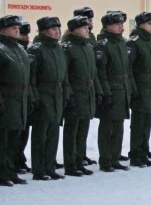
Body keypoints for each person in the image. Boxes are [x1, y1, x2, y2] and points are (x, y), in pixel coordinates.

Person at [0, 15, 32, 186]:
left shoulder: (19, 49)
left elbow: (26, 76)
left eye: (18, 28)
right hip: (6, 97)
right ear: (4, 29)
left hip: (19, 98)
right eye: (14, 28)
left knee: (15, 137)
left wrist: (29, 97)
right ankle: (2, 172)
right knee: (2, 138)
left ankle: (12, 169)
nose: (17, 30)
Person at [28, 16, 71, 181]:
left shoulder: (58, 49)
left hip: (57, 94)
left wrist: (66, 94)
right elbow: (31, 77)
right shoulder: (36, 49)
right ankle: (39, 169)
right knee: (41, 133)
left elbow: (64, 76)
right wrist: (34, 97)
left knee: (53, 131)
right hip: (43, 93)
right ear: (44, 31)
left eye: (58, 29)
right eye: (53, 29)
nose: (57, 32)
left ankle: (50, 166)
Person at [61, 16, 103, 177]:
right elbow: (64, 75)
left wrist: (98, 90)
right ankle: (70, 163)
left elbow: (94, 73)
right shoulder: (68, 48)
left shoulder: (86, 47)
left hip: (88, 92)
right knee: (72, 130)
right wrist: (68, 94)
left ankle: (79, 160)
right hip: (75, 92)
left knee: (83, 129)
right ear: (74, 30)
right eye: (84, 27)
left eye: (88, 27)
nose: (88, 30)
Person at [95, 11, 132, 172]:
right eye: (117, 24)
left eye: (121, 24)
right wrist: (105, 92)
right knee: (107, 127)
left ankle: (115, 157)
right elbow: (100, 72)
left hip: (122, 89)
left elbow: (127, 69)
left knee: (118, 126)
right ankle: (105, 159)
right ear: (107, 26)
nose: (121, 27)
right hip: (111, 88)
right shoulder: (103, 45)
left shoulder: (121, 43)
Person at [127, 12, 151, 168]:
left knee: (147, 120)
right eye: (149, 24)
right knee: (139, 122)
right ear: (140, 25)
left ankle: (144, 151)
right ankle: (135, 154)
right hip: (140, 85)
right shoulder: (134, 42)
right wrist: (133, 88)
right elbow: (130, 68)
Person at [15, 21, 33, 175]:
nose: (26, 37)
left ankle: (20, 158)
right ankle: (15, 160)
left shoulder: (25, 50)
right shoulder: (17, 50)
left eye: (27, 34)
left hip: (26, 96)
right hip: (15, 97)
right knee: (17, 133)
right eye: (23, 34)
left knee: (24, 132)